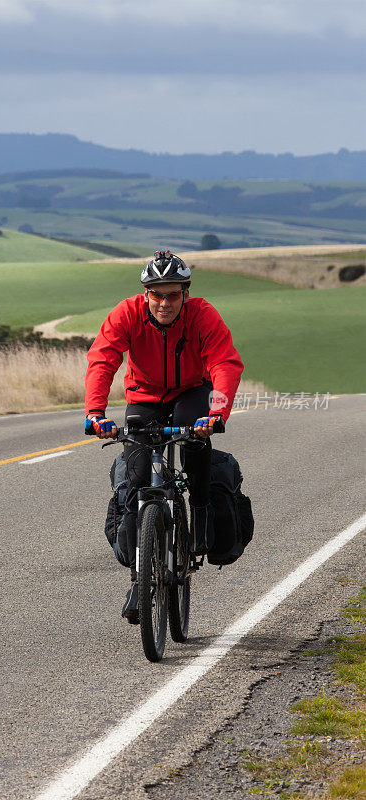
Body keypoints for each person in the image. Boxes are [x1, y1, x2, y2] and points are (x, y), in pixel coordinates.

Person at [85, 250, 244, 623]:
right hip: (144, 396)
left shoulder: (203, 315)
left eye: (173, 294)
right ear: (145, 294)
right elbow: (103, 358)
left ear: (185, 293)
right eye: (156, 294)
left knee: (194, 444)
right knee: (137, 477)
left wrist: (216, 413)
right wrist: (95, 412)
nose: (164, 302)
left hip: (191, 392)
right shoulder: (126, 314)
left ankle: (201, 513)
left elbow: (225, 363)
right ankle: (139, 579)